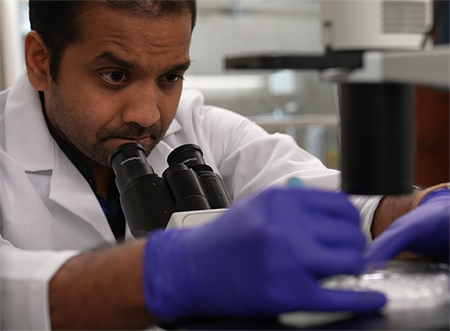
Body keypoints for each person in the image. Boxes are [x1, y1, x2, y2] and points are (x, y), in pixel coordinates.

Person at [0, 0, 448, 330]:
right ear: (41, 61)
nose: (148, 114)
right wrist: (168, 272)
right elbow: (13, 293)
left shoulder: (201, 128)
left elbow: (333, 196)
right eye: (114, 75)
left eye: (170, 77)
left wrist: (421, 206)